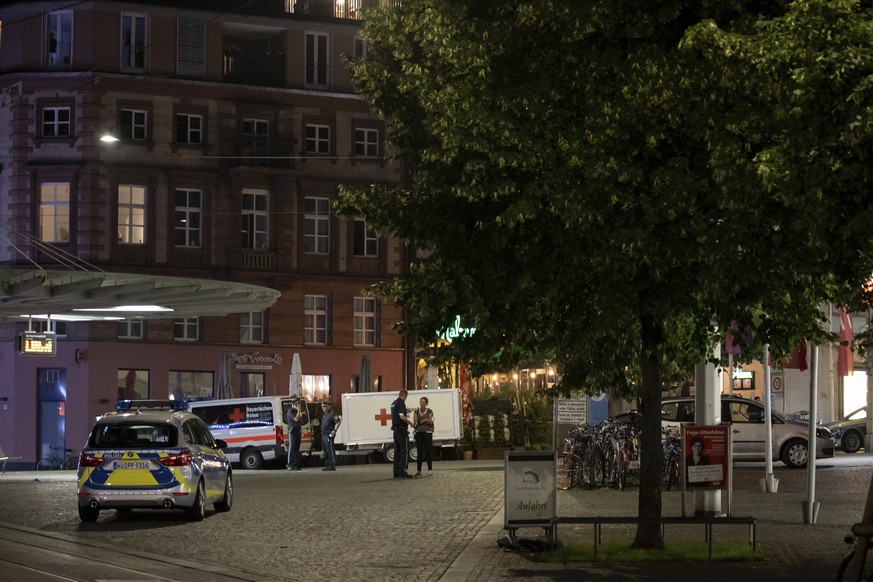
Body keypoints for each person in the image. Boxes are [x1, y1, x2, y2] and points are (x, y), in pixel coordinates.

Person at [390, 389, 414, 479]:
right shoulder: (401, 403)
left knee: (397, 452)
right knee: (404, 451)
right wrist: (410, 423)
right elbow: (401, 416)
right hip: (401, 431)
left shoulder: (394, 402)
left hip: (395, 431)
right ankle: (403, 472)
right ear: (405, 396)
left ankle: (396, 472)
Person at [413, 396, 435, 478]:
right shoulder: (416, 411)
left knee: (428, 451)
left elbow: (430, 421)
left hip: (427, 433)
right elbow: (415, 422)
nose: (422, 403)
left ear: (426, 403)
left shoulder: (429, 411)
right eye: (421, 401)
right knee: (419, 452)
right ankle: (418, 471)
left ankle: (430, 469)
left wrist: (424, 420)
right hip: (419, 433)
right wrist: (423, 421)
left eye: (424, 402)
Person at [320, 400, 340, 471]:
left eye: (324, 406)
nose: (323, 408)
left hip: (329, 434)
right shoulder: (325, 414)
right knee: (325, 451)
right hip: (324, 434)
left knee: (330, 449)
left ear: (329, 406)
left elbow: (338, 422)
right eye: (322, 406)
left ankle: (332, 465)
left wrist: (334, 430)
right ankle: (327, 464)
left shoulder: (332, 413)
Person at [285, 398, 304, 471]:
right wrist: (299, 411)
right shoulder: (291, 411)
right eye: (298, 404)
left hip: (298, 431)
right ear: (294, 404)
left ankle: (295, 465)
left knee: (297, 449)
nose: (299, 405)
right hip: (292, 432)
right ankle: (290, 464)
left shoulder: (297, 411)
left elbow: (299, 421)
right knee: (292, 448)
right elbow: (296, 419)